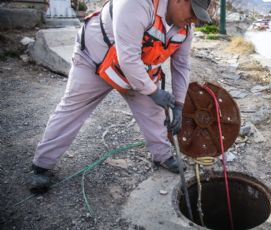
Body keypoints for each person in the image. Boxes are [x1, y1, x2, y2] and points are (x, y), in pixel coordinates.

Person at [30, 0, 212, 193]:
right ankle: (42, 165)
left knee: (154, 114)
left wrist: (179, 104)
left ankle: (162, 155)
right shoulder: (137, 4)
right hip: (96, 60)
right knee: (72, 109)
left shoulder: (185, 29)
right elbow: (128, 58)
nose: (193, 20)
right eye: (193, 12)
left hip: (138, 71)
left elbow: (182, 65)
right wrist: (153, 92)